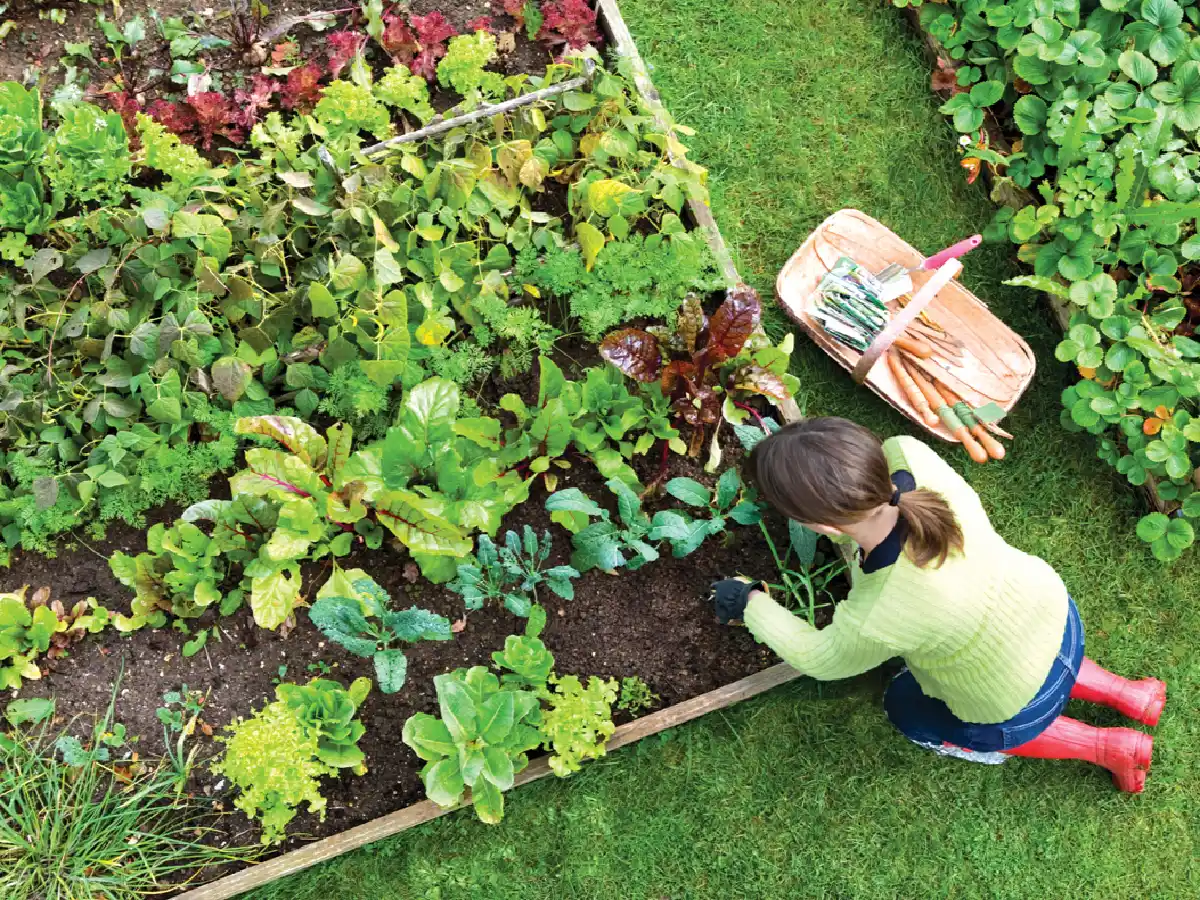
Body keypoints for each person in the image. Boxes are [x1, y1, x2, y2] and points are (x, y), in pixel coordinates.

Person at [711, 417, 1166, 792]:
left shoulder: (880, 611)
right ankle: (1131, 694)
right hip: (1053, 614)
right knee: (1030, 654)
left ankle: (1108, 747)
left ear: (821, 527)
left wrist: (749, 601)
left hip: (1013, 700)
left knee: (906, 708)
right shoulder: (912, 457)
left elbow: (821, 658)